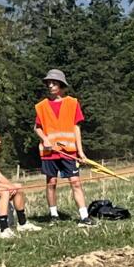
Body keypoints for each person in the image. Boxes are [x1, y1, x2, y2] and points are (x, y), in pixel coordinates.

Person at [34, 68, 92, 226]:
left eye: (54, 83)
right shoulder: (41, 106)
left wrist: (80, 152)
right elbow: (37, 128)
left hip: (69, 151)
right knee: (51, 183)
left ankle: (84, 217)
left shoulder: (72, 103)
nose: (50, 86)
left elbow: (76, 128)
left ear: (61, 85)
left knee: (75, 182)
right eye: (48, 83)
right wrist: (45, 139)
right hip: (49, 152)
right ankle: (53, 216)